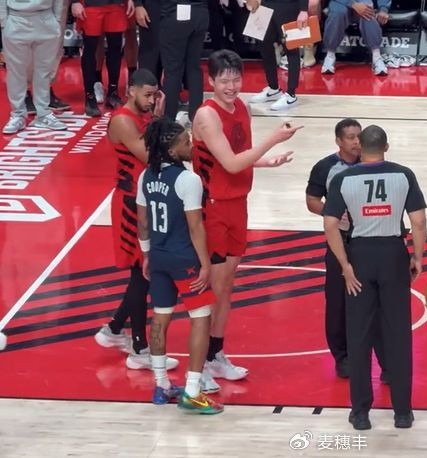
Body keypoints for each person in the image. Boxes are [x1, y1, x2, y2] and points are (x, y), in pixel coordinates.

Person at [191, 50, 301, 382]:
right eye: (224, 80)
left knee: (227, 285)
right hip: (212, 207)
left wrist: (267, 161)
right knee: (213, 288)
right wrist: (272, 140)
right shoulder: (206, 115)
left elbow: (239, 156)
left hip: (238, 203)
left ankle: (215, 354)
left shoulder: (242, 107)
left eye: (236, 79)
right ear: (211, 81)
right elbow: (230, 164)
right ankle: (200, 364)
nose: (231, 86)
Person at [323, 125, 427, 430]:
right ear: (386, 146)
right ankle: (403, 412)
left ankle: (360, 413)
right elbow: (419, 222)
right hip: (393, 254)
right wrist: (417, 257)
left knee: (358, 335)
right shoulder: (404, 175)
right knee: (398, 334)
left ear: (360, 147)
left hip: (360, 256)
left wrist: (345, 265)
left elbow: (330, 225)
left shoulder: (344, 179)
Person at [94, 69, 179, 373]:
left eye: (155, 95)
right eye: (147, 94)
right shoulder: (122, 120)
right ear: (131, 90)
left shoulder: (143, 116)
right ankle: (139, 347)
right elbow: (153, 157)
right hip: (131, 203)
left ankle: (115, 329)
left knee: (143, 271)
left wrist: (157, 118)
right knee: (142, 271)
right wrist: (161, 124)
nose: (152, 100)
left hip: (144, 198)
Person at [136, 117, 223, 414]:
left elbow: (143, 222)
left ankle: (161, 386)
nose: (191, 145)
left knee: (160, 319)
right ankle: (193, 392)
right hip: (184, 258)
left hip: (158, 256)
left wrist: (146, 254)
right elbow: (195, 226)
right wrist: (205, 264)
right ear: (172, 151)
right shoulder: (188, 180)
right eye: (186, 142)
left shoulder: (145, 175)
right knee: (201, 318)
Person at [305, 118, 387, 381]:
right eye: (350, 137)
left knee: (376, 300)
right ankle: (343, 357)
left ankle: (385, 359)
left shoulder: (373, 162)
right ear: (338, 141)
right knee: (338, 301)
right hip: (340, 239)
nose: (356, 142)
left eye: (358, 136)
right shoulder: (325, 167)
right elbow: (311, 201)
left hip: (371, 237)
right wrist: (332, 213)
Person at [1, 0, 68, 134]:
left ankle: (43, 113)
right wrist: (3, 22)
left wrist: (57, 20)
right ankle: (17, 114)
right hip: (15, 19)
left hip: (46, 18)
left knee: (44, 71)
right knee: (15, 71)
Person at [71, 0, 134, 116]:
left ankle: (113, 93)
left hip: (116, 5)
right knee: (90, 49)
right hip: (90, 6)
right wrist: (75, 2)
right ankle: (90, 97)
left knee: (116, 47)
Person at [247, 0, 308, 110]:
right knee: (264, 46)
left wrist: (304, 9)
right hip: (264, 4)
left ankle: (291, 95)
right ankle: (273, 88)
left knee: (291, 48)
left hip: (288, 6)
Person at [158, 0, 208, 121]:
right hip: (200, 12)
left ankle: (169, 119)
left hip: (176, 12)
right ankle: (196, 117)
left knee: (173, 70)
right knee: (194, 67)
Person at [321, 0, 390, 76]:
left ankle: (376, 57)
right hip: (340, 2)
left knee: (367, 11)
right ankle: (330, 55)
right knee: (338, 12)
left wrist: (383, 9)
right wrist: (353, 4)